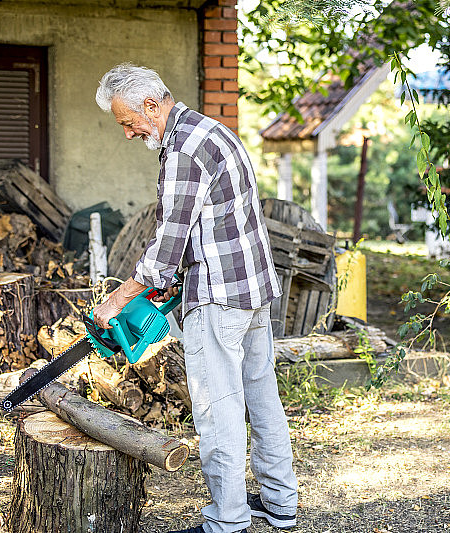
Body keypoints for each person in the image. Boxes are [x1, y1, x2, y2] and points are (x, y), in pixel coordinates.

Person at [93, 63, 298, 533]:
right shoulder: (211, 130)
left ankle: (227, 520)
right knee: (261, 393)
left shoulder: (183, 149)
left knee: (215, 404)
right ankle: (280, 503)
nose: (128, 133)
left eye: (128, 121)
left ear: (150, 103)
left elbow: (167, 247)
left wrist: (115, 302)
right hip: (252, 287)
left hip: (219, 295)